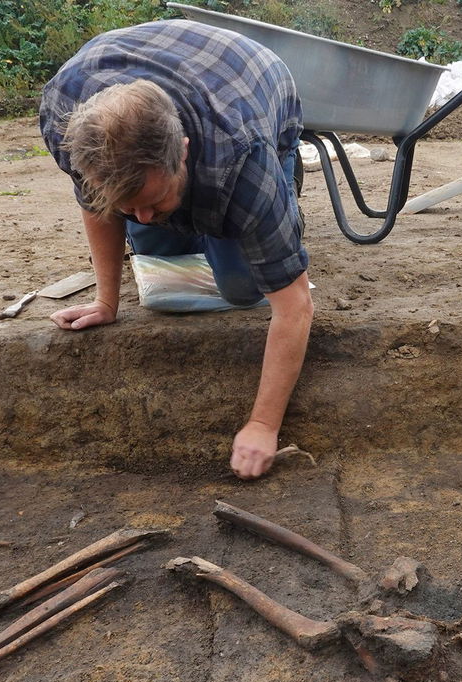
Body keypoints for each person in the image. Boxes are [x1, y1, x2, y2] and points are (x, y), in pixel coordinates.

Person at [38, 19, 312, 480]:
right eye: (129, 205)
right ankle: (190, 213)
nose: (139, 216)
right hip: (135, 72)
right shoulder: (64, 118)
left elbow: (296, 307)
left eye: (152, 200)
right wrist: (107, 300)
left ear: (182, 151)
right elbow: (95, 202)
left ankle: (277, 208)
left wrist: (263, 424)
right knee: (157, 237)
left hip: (253, 80)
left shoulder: (242, 156)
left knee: (244, 286)